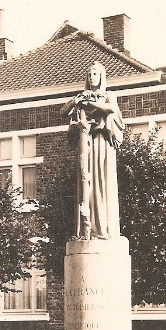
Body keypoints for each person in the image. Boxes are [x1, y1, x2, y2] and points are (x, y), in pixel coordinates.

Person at [61, 61, 125, 240]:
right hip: (86, 143)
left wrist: (91, 103)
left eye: (95, 74)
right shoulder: (82, 96)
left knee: (101, 181)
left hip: (102, 143)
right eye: (89, 75)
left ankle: (102, 227)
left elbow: (112, 109)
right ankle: (87, 229)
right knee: (86, 183)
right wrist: (78, 99)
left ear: (101, 77)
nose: (91, 78)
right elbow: (63, 112)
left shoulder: (108, 95)